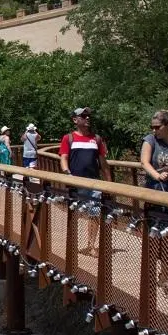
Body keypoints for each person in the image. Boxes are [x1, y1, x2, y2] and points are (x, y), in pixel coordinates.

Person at [59, 107, 110, 254]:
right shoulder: (68, 138)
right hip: (76, 183)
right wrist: (67, 174)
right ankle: (72, 245)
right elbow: (64, 158)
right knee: (74, 213)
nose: (87, 118)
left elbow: (103, 162)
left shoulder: (97, 139)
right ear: (75, 120)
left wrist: (109, 183)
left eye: (88, 116)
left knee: (94, 214)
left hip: (94, 183)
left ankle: (91, 245)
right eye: (83, 116)